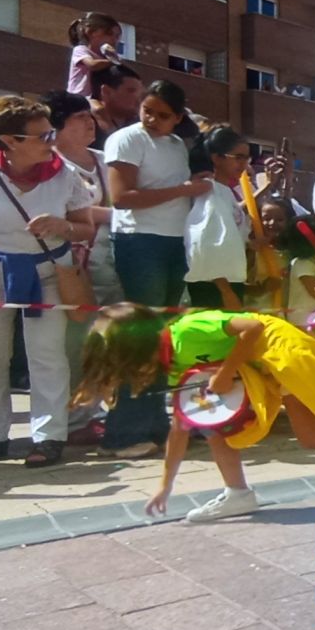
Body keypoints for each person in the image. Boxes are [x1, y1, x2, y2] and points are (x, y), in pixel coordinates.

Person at [75, 303, 315, 521]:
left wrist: (226, 371)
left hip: (280, 351)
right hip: (260, 366)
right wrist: (165, 485)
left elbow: (253, 326)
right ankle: (237, 493)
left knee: (312, 435)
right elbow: (181, 425)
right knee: (211, 423)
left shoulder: (188, 330)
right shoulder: (172, 364)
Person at [0, 96, 96, 467]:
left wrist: (62, 226)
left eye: (51, 132)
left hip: (49, 270)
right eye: (43, 135)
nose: (52, 141)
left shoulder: (66, 174)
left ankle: (49, 437)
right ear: (10, 141)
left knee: (47, 355)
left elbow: (86, 228)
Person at [102, 80, 207, 459]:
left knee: (162, 337)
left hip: (174, 243)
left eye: (163, 115)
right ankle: (123, 432)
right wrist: (183, 190)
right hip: (139, 242)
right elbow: (121, 198)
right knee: (141, 336)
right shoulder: (126, 139)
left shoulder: (178, 144)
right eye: (148, 111)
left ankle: (155, 423)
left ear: (178, 118)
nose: (152, 120)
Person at [47, 91, 119, 446]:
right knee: (74, 345)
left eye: (90, 116)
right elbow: (67, 213)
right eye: (79, 117)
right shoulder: (50, 165)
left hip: (113, 264)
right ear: (57, 125)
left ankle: (102, 412)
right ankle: (75, 419)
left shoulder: (106, 160)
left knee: (109, 342)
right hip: (69, 267)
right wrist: (119, 214)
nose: (89, 123)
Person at [184, 128, 252, 311]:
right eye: (238, 157)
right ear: (217, 158)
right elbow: (204, 242)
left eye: (246, 158)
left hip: (232, 279)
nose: (243, 164)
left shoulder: (225, 191)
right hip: (214, 284)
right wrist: (225, 290)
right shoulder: (208, 190)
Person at [66, 12, 122, 95]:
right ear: (92, 33)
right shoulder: (81, 50)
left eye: (117, 37)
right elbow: (92, 65)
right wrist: (114, 62)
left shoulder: (106, 57)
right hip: (77, 96)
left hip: (93, 97)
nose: (114, 39)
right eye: (109, 34)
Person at [88, 64, 141, 143]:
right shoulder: (85, 124)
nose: (138, 98)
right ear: (106, 92)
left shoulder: (140, 125)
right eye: (131, 91)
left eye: (140, 93)